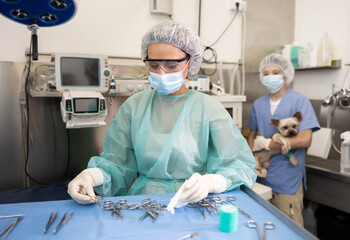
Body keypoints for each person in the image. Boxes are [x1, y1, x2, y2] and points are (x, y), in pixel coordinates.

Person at [68, 21, 256, 205]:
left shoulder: (209, 108)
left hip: (192, 201)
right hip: (143, 202)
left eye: (172, 66)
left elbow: (240, 165)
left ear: (190, 63)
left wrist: (211, 182)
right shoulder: (134, 106)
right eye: (154, 65)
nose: (162, 73)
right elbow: (117, 163)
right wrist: (92, 176)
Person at [247, 53, 320, 227]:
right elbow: (251, 135)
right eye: (266, 73)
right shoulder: (258, 103)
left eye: (275, 72)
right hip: (261, 179)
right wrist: (250, 160)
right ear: (261, 78)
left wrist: (267, 145)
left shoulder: (299, 101)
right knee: (263, 227)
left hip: (287, 180)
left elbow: (305, 139)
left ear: (285, 76)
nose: (270, 77)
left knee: (289, 229)